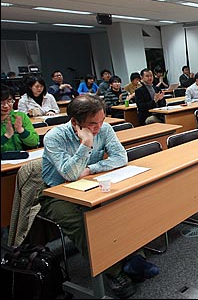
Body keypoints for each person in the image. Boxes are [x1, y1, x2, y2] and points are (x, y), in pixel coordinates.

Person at [40, 95, 159, 298]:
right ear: (75, 122)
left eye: (101, 121)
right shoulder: (55, 137)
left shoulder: (104, 128)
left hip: (92, 183)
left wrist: (91, 168)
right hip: (57, 193)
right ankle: (115, 272)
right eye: (92, 124)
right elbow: (69, 175)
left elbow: (120, 157)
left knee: (122, 207)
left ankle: (134, 260)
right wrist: (86, 143)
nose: (98, 128)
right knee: (83, 223)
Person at [1, 85, 39, 152]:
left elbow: (34, 142)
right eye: (1, 102)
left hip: (20, 158)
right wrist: (6, 136)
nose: (6, 106)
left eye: (9, 101)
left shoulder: (20, 117)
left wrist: (21, 130)